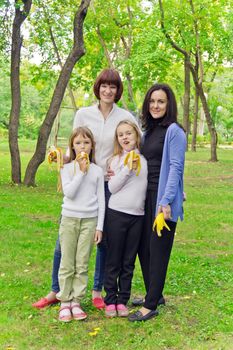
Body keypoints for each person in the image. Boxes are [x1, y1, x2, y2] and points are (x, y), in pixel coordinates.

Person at [32, 68, 138, 310]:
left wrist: (118, 164)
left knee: (102, 239)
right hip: (81, 179)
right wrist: (61, 158)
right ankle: (56, 290)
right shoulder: (83, 113)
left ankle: (96, 290)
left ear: (118, 90)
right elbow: (74, 144)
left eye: (113, 86)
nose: (108, 90)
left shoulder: (125, 116)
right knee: (64, 240)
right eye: (104, 85)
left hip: (109, 184)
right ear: (98, 88)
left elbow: (132, 143)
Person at [128, 83, 186, 322]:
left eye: (161, 101)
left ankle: (150, 305)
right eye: (152, 101)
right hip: (146, 196)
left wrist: (166, 200)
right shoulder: (149, 131)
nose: (155, 105)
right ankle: (156, 293)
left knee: (159, 251)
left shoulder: (175, 131)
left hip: (163, 201)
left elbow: (176, 168)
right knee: (145, 248)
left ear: (169, 104)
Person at [56, 127, 105, 322]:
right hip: (69, 219)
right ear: (72, 146)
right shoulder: (66, 168)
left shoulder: (98, 171)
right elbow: (69, 193)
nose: (82, 146)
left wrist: (99, 226)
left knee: (82, 262)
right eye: (78, 143)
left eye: (86, 142)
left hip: (90, 221)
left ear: (92, 146)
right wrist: (81, 172)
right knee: (67, 262)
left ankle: (76, 300)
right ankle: (64, 301)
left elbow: (101, 200)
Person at [104, 120, 147, 317]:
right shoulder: (116, 161)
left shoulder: (145, 160)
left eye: (128, 133)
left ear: (137, 135)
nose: (125, 137)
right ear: (117, 139)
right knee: (114, 259)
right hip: (117, 214)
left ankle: (123, 300)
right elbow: (112, 188)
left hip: (137, 216)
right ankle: (110, 299)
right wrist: (127, 167)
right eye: (121, 134)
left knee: (128, 261)